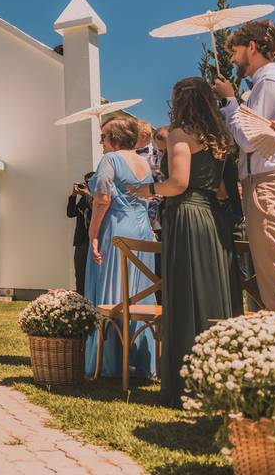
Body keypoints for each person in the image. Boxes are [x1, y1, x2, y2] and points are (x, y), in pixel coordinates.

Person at [131, 78, 243, 407]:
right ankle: (220, 377)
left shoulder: (181, 134)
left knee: (185, 294)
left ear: (181, 102)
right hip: (212, 219)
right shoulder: (219, 138)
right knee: (213, 290)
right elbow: (223, 190)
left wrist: (147, 191)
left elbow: (178, 183)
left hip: (186, 217)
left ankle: (188, 382)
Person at [213, 19, 275, 315]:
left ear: (252, 47)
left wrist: (230, 102)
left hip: (270, 188)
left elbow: (248, 139)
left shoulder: (268, 81)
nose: (230, 58)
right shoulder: (272, 83)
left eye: (235, 50)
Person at [85, 117, 157, 379]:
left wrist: (93, 234)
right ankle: (139, 357)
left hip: (117, 227)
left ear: (114, 139)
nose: (101, 143)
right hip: (143, 230)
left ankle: (111, 361)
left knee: (115, 291)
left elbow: (102, 199)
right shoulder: (143, 162)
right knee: (139, 292)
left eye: (103, 137)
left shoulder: (111, 160)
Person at [66, 172, 94, 296]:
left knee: (92, 274)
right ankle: (81, 299)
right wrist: (73, 195)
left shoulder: (98, 198)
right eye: (85, 182)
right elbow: (71, 213)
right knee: (80, 273)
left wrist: (88, 194)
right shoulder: (85, 198)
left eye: (89, 182)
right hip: (81, 241)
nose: (86, 185)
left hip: (94, 240)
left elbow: (94, 210)